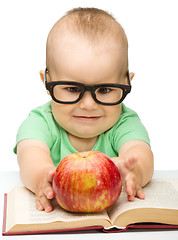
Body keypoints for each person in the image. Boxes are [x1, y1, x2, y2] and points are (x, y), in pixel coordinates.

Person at [14, 7, 154, 213]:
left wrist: (135, 171)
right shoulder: (40, 122)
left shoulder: (124, 121)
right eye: (72, 89)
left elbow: (140, 153)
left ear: (126, 83)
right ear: (47, 82)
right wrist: (42, 178)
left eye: (105, 89)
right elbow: (29, 156)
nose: (89, 105)